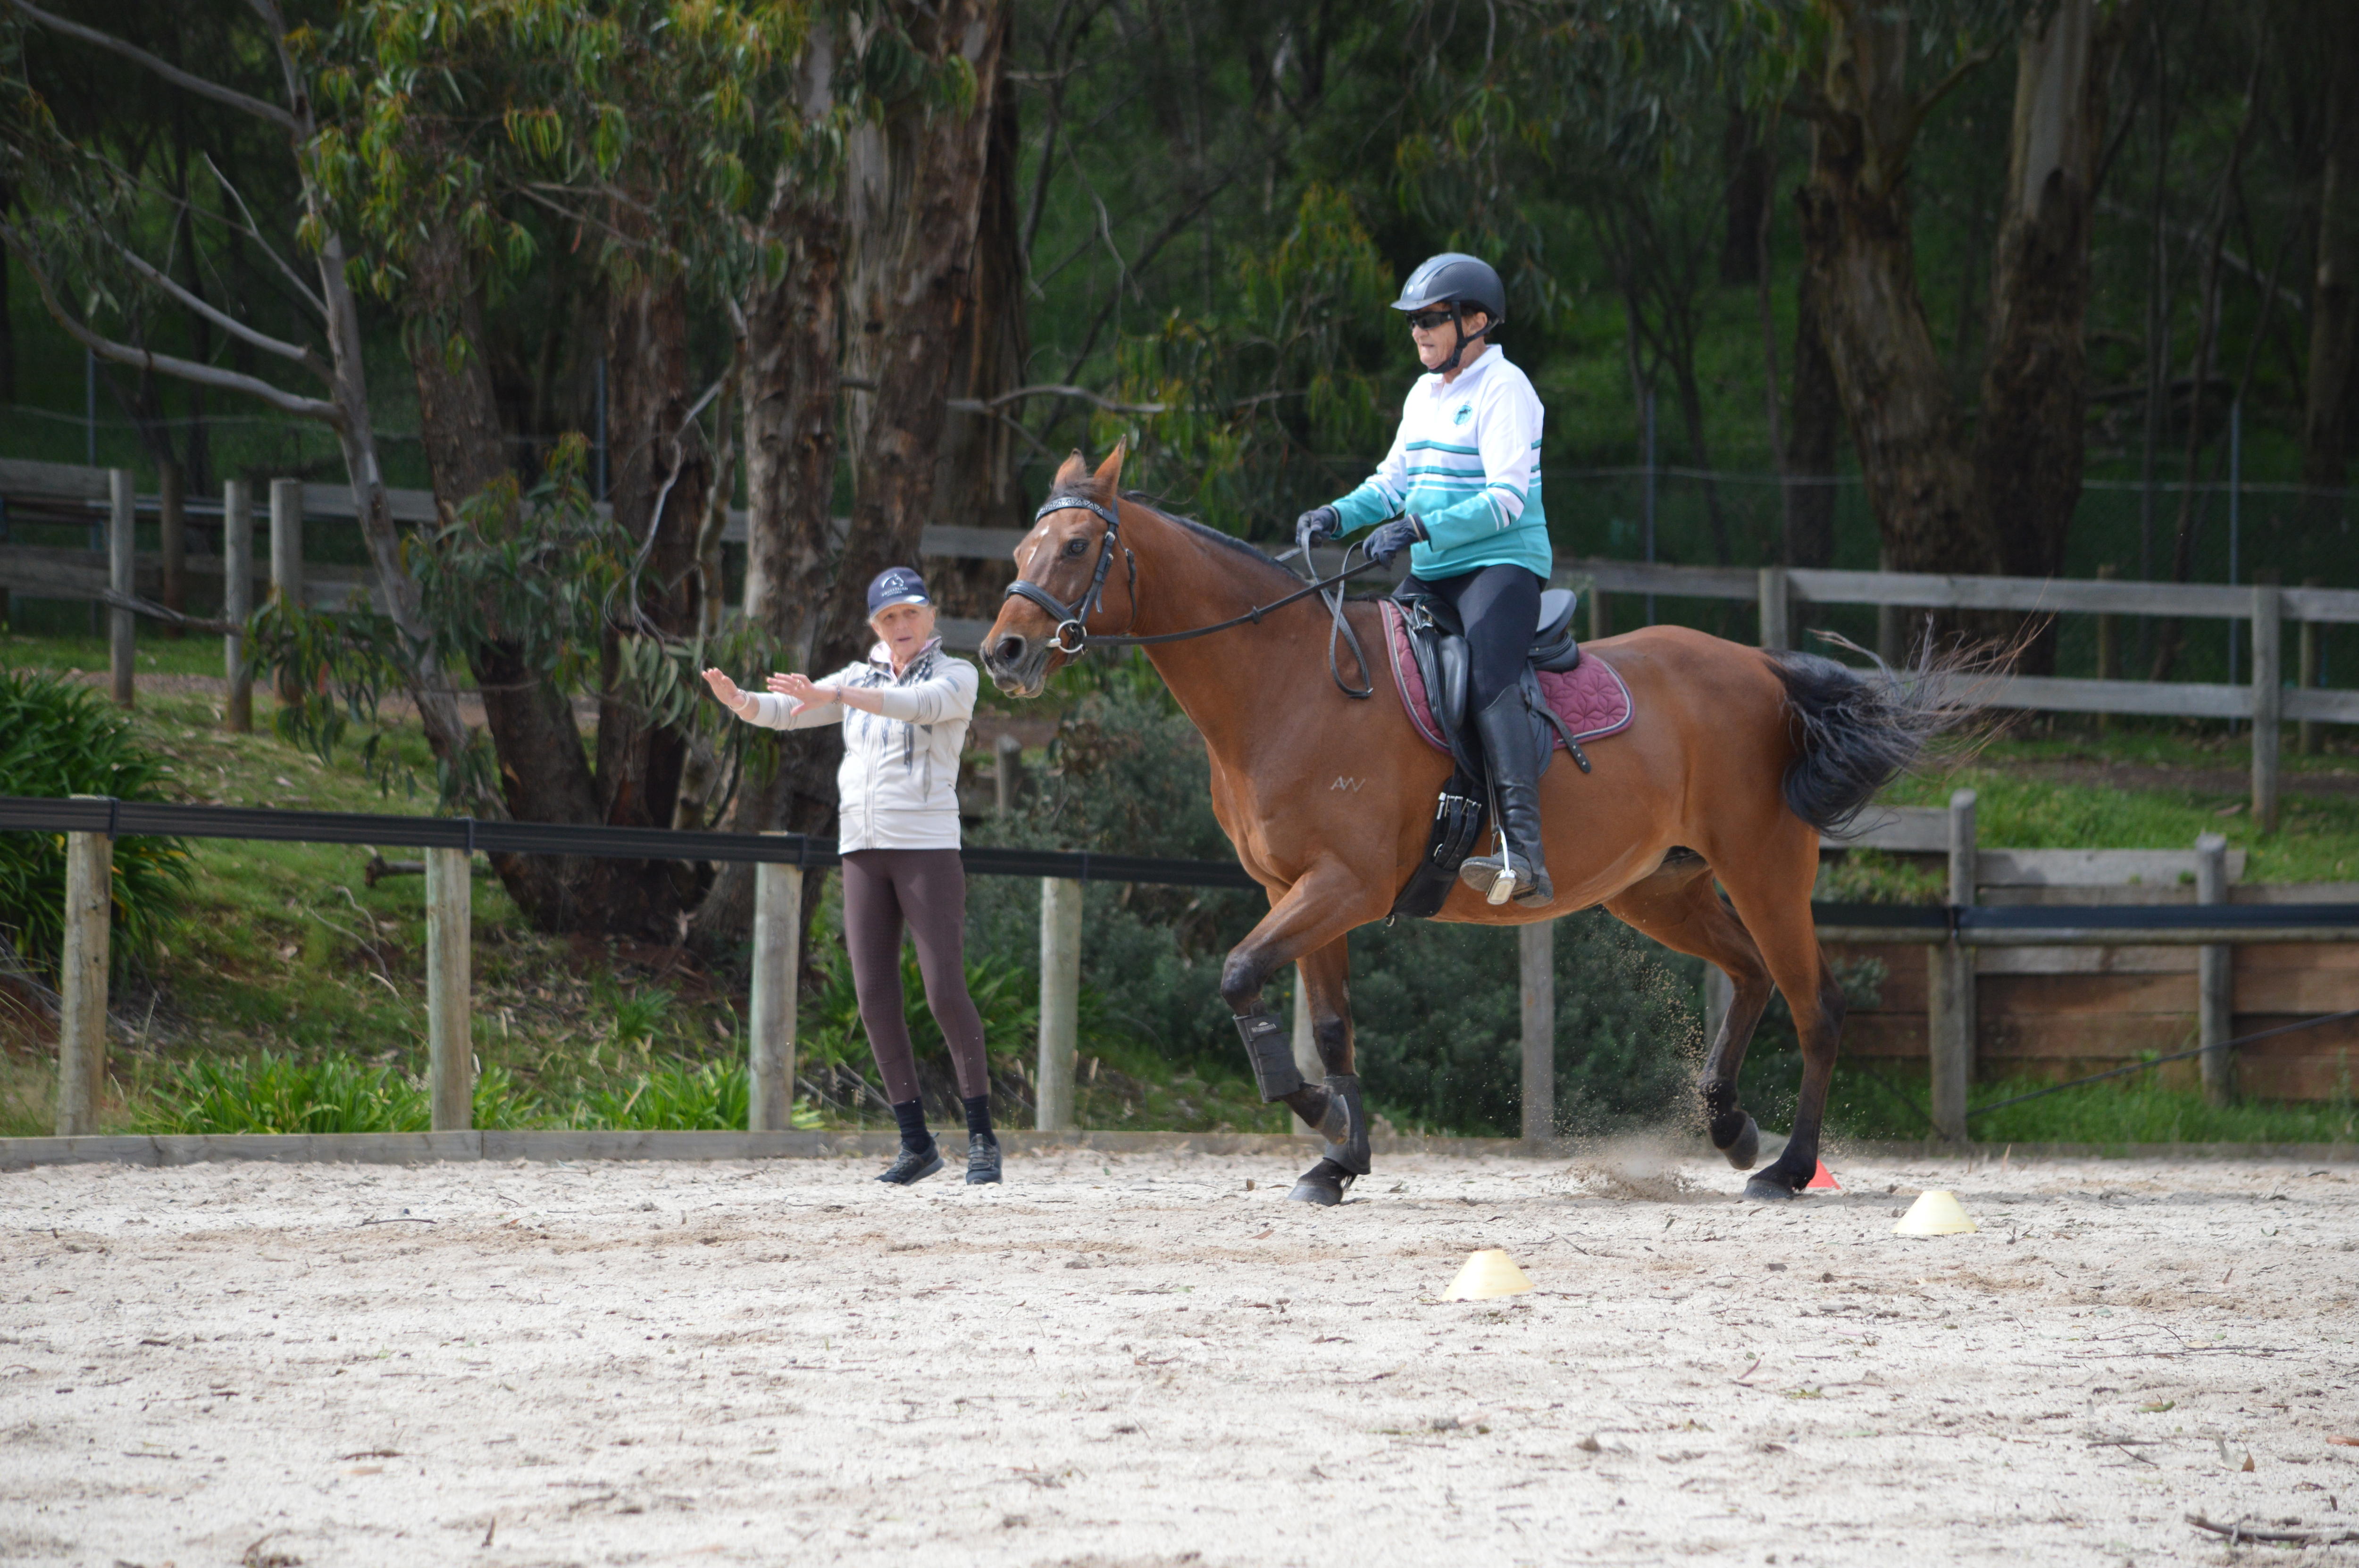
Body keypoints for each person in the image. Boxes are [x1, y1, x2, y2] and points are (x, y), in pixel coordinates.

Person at [699, 568, 999, 1186]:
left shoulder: (957, 675)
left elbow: (916, 707)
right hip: (861, 850)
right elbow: (789, 711)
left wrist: (836, 694)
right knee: (873, 997)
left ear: (931, 615)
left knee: (945, 990)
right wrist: (742, 703)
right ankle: (916, 1144)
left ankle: (982, 1138)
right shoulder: (858, 677)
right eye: (889, 618)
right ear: (875, 627)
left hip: (926, 849)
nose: (901, 625)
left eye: (910, 613)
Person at [1296, 252, 1555, 908]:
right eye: (1412, 321)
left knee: (1490, 677)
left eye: (1432, 319)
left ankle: (1524, 851)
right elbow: (1392, 483)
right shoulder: (1425, 393)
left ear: (1476, 322)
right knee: (1376, 665)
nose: (1418, 331)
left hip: (1501, 567)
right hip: (1435, 572)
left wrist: (1417, 528)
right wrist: (1336, 515)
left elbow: (1506, 501)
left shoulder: (1505, 389)